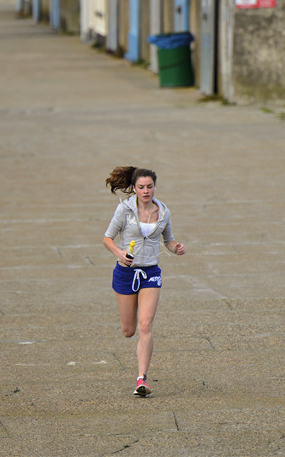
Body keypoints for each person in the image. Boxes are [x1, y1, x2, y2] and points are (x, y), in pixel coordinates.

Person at [103, 166, 186, 397]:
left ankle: (142, 378)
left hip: (150, 272)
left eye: (149, 186)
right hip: (126, 273)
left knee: (146, 325)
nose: (146, 191)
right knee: (129, 330)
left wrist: (176, 248)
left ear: (155, 187)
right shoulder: (124, 210)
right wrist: (119, 253)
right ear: (135, 188)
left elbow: (168, 240)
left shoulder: (163, 211)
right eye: (141, 187)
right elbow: (107, 238)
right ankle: (138, 362)